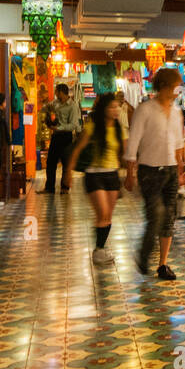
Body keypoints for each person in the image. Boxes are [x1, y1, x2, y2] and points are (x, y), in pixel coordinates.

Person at [125, 68, 185, 280]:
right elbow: (133, 141)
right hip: (149, 170)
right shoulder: (146, 110)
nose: (177, 90)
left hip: (170, 169)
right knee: (156, 215)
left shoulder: (177, 111)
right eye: (174, 86)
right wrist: (129, 173)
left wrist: (180, 169)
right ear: (164, 87)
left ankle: (163, 264)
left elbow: (179, 143)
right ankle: (143, 254)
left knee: (169, 216)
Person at [67, 92, 126, 265]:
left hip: (112, 174)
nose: (116, 110)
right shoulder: (92, 128)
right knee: (102, 213)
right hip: (94, 174)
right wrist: (68, 173)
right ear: (104, 109)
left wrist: (129, 172)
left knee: (108, 215)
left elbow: (123, 153)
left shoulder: (118, 129)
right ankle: (98, 250)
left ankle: (101, 247)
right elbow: (77, 150)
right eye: (112, 107)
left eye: (117, 107)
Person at [41, 83, 81, 194]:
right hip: (56, 136)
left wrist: (59, 128)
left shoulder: (72, 106)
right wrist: (45, 112)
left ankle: (65, 187)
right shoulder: (55, 103)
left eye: (56, 91)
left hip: (66, 136)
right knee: (50, 162)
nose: (55, 93)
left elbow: (73, 125)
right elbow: (46, 108)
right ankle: (49, 187)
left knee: (66, 163)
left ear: (61, 92)